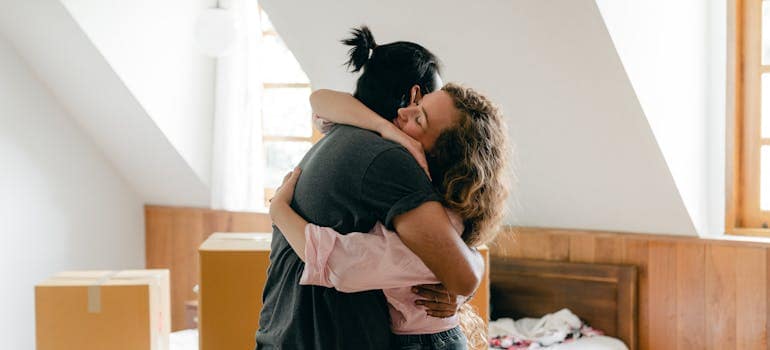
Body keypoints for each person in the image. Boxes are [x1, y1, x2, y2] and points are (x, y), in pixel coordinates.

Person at [256, 27, 485, 349]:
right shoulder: (388, 157)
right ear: (416, 95)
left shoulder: (341, 133)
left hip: (283, 327)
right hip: (325, 335)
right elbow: (462, 275)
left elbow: (320, 99)